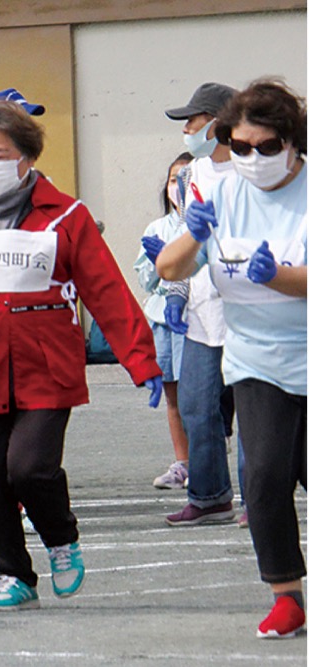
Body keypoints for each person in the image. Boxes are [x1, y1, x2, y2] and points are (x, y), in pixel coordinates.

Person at [0, 101, 162, 611]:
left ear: (26, 157)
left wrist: (141, 360)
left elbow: (106, 290)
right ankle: (13, 573)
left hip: (46, 361)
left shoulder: (67, 216)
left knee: (30, 469)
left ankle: (61, 539)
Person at [156, 79, 306, 639]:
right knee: (263, 475)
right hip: (256, 359)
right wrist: (193, 237)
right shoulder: (221, 192)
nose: (252, 157)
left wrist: (281, 277)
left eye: (266, 147)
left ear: (293, 143)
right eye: (240, 146)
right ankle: (286, 595)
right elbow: (171, 268)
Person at [158, 83, 241, 527]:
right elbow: (185, 238)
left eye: (193, 120)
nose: (186, 129)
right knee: (195, 406)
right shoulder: (192, 174)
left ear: (219, 122)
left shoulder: (253, 168)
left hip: (248, 308)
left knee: (254, 413)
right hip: (202, 308)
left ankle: (259, 500)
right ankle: (209, 496)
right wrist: (176, 291)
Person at [135, 151, 194, 513]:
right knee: (172, 395)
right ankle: (183, 462)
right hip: (161, 319)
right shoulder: (156, 228)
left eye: (186, 179)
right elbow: (146, 279)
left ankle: (205, 461)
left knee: (198, 397)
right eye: (174, 180)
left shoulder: (201, 225)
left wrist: (175, 261)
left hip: (195, 319)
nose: (179, 187)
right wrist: (160, 263)